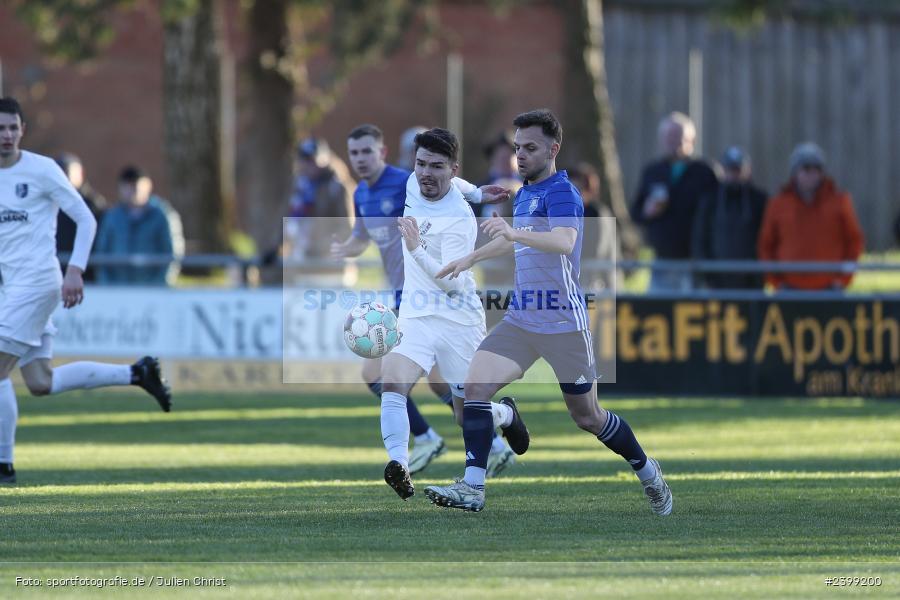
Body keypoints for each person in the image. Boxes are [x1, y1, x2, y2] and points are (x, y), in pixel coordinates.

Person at [425, 109, 672, 515]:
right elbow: (516, 243)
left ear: (553, 149)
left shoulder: (562, 192)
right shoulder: (525, 194)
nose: (520, 155)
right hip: (522, 320)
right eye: (518, 147)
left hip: (562, 322)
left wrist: (514, 232)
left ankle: (647, 471)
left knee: (588, 417)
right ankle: (473, 487)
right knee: (474, 388)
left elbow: (561, 240)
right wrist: (471, 259)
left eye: (530, 148)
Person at [0, 97, 172, 484]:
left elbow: (85, 218)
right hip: (10, 288)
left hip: (39, 284)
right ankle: (138, 373)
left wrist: (74, 270)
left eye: (12, 127)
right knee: (41, 383)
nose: (6, 135)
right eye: (0, 128)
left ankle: (3, 465)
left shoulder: (41, 170)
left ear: (22, 131)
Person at [332, 124, 515, 477]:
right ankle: (408, 454)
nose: (360, 160)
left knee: (439, 394)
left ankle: (475, 434)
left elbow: (451, 280)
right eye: (353, 153)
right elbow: (361, 236)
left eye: (366, 151)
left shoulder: (414, 188)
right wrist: (346, 249)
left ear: (383, 153)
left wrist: (471, 199)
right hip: (411, 302)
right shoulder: (373, 192)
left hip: (449, 308)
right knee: (397, 379)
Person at [377, 128, 520, 500]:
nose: (425, 172)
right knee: (391, 381)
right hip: (415, 315)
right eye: (421, 163)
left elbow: (452, 283)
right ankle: (399, 464)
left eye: (436, 167)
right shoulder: (415, 183)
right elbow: (458, 184)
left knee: (465, 415)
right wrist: (478, 190)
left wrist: (416, 247)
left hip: (458, 319)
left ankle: (505, 415)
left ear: (451, 168)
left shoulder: (460, 220)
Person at [758, 143, 864, 291]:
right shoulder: (778, 204)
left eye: (817, 169)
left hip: (830, 289)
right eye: (806, 168)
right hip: (789, 289)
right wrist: (776, 281)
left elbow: (854, 242)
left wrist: (843, 279)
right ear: (795, 172)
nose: (811, 174)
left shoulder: (839, 202)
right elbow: (766, 245)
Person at [630, 112, 717, 292]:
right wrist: (647, 211)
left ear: (692, 141)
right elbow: (636, 213)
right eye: (668, 137)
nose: (673, 142)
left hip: (695, 263)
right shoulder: (652, 171)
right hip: (662, 261)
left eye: (678, 137)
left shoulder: (704, 172)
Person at [692, 147, 768, 289]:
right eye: (729, 170)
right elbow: (700, 238)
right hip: (717, 282)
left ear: (747, 170)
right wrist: (706, 275)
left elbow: (766, 239)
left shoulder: (759, 200)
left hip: (751, 282)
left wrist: (760, 276)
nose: (733, 174)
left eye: (737, 169)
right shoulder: (710, 200)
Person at [94, 166, 174, 285]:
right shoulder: (112, 217)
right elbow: (101, 253)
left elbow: (171, 253)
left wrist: (159, 284)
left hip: (152, 289)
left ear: (148, 186)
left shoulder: (161, 215)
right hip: (117, 289)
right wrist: (107, 286)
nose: (133, 191)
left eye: (137, 186)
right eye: (127, 186)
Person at [55, 153, 106, 282]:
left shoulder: (93, 205)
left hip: (85, 276)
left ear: (80, 174)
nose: (64, 177)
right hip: (54, 274)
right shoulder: (49, 203)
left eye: (67, 172)